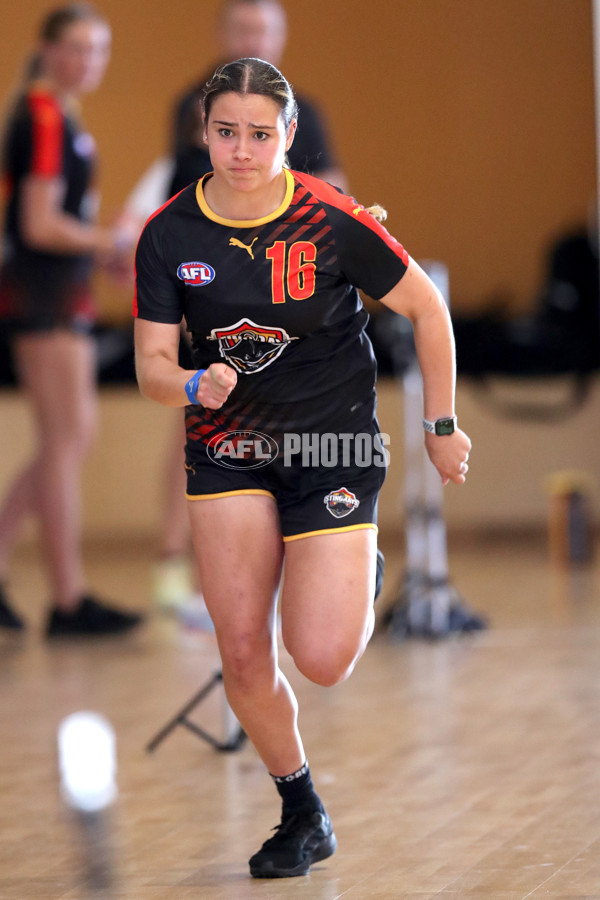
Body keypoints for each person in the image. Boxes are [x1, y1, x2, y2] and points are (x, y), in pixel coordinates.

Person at [133, 57, 471, 878]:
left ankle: (354, 561)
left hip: (333, 449)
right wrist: (188, 379)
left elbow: (428, 308)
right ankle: (300, 807)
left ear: (289, 135)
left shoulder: (334, 220)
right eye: (225, 132)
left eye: (259, 133)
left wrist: (441, 423)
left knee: (320, 656)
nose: (241, 150)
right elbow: (149, 363)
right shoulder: (170, 235)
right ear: (203, 134)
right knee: (243, 652)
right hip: (229, 447)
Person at [119, 0, 347, 617]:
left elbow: (335, 197)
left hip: (292, 299)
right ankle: (177, 563)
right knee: (197, 412)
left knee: (291, 429)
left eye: (264, 29)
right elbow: (188, 196)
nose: (254, 38)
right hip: (218, 291)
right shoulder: (194, 105)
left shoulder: (308, 113)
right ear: (224, 35)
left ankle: (296, 568)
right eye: (243, 29)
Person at [0, 3, 143, 637]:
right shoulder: (42, 114)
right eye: (77, 48)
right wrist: (109, 244)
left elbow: (60, 217)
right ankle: (66, 596)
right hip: (40, 295)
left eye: (99, 50)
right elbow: (37, 224)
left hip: (59, 289)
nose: (89, 61)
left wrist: (98, 248)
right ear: (49, 49)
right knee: (64, 440)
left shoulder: (62, 114)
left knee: (70, 437)